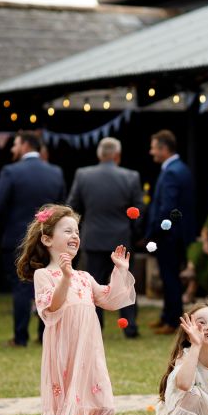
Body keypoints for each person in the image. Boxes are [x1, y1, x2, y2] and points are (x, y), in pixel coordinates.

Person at [16, 204, 136, 415]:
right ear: (47, 239)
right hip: (63, 353)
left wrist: (120, 271)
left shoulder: (84, 277)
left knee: (104, 405)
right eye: (67, 230)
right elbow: (51, 308)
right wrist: (65, 278)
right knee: (62, 404)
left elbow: (110, 299)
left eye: (77, 231)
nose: (75, 235)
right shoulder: (44, 275)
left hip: (89, 352)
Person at [0, 130, 65, 347]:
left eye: (15, 144)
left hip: (17, 237)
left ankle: (20, 337)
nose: (12, 149)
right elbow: (62, 208)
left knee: (22, 286)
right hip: (48, 239)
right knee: (49, 284)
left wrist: (7, 225)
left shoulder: (10, 171)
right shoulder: (56, 172)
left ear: (24, 145)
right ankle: (45, 335)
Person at [67, 137, 143, 338]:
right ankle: (130, 326)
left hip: (93, 238)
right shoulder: (131, 176)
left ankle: (95, 326)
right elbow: (139, 210)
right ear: (117, 155)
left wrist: (78, 232)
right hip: (121, 239)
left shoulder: (83, 175)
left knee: (92, 284)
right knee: (125, 284)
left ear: (99, 155)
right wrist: (135, 235)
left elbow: (72, 207)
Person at [146, 130, 195, 335]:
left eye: (154, 147)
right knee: (169, 277)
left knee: (170, 278)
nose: (151, 152)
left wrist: (156, 231)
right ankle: (167, 315)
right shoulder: (179, 168)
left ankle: (173, 321)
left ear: (164, 149)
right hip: (175, 235)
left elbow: (167, 208)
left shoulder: (173, 171)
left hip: (169, 236)